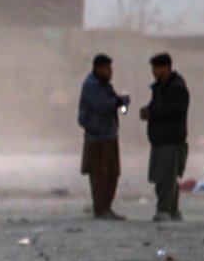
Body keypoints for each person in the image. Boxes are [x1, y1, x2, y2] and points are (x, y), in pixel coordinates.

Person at [78, 54, 129, 220]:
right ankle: (101, 209)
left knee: (112, 173)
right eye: (107, 68)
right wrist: (119, 102)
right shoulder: (92, 85)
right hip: (97, 137)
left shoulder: (104, 85)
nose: (110, 71)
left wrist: (121, 103)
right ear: (98, 68)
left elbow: (113, 105)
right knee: (100, 176)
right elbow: (102, 106)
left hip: (108, 135)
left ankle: (106, 207)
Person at [139, 53, 189, 222]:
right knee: (163, 178)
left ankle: (165, 210)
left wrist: (153, 113)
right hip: (160, 139)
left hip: (171, 140)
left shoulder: (177, 88)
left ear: (166, 67)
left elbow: (176, 111)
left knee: (166, 179)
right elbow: (157, 107)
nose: (153, 71)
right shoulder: (160, 88)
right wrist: (147, 111)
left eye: (156, 68)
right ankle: (172, 211)